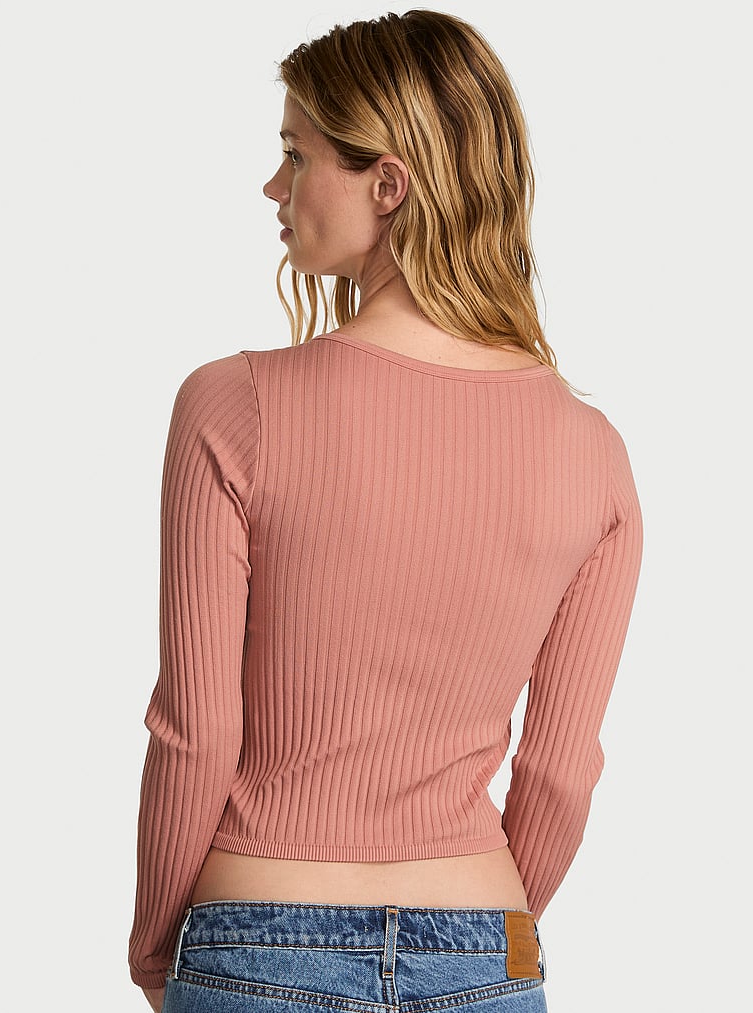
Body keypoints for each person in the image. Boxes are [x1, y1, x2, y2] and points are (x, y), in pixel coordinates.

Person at [129, 9, 643, 1012]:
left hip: (256, 939)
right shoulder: (594, 452)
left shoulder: (233, 405)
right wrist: (482, 936)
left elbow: (194, 729)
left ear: (388, 183)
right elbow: (560, 770)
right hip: (481, 948)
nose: (273, 187)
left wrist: (158, 950)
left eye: (296, 154)